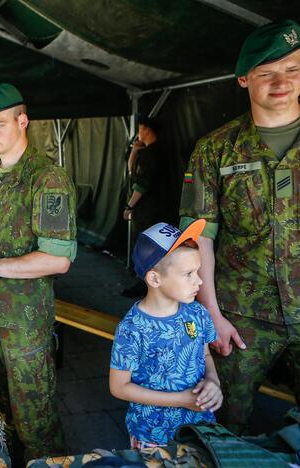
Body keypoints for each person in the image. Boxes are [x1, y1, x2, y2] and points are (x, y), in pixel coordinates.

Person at [179, 19, 300, 434]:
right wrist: (211, 315)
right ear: (245, 79)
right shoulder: (215, 150)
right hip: (240, 317)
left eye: (293, 69)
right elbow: (199, 241)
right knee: (224, 425)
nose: (281, 81)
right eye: (267, 72)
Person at [0, 83, 76, 460]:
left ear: (23, 121)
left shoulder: (47, 179)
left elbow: (58, 259)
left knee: (36, 424)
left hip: (24, 324)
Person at [109, 220, 222, 449]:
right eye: (188, 274)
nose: (199, 281)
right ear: (154, 279)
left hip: (199, 428)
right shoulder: (132, 329)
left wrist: (213, 381)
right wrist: (181, 400)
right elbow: (119, 387)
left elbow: (206, 356)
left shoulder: (197, 313)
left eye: (197, 271)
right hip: (152, 436)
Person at [121, 117, 167, 298]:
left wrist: (129, 205)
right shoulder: (157, 151)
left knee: (144, 248)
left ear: (146, 130)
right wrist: (134, 150)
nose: (138, 134)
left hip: (148, 211)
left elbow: (141, 184)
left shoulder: (151, 154)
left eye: (140, 129)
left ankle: (144, 285)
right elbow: (132, 171)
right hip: (159, 209)